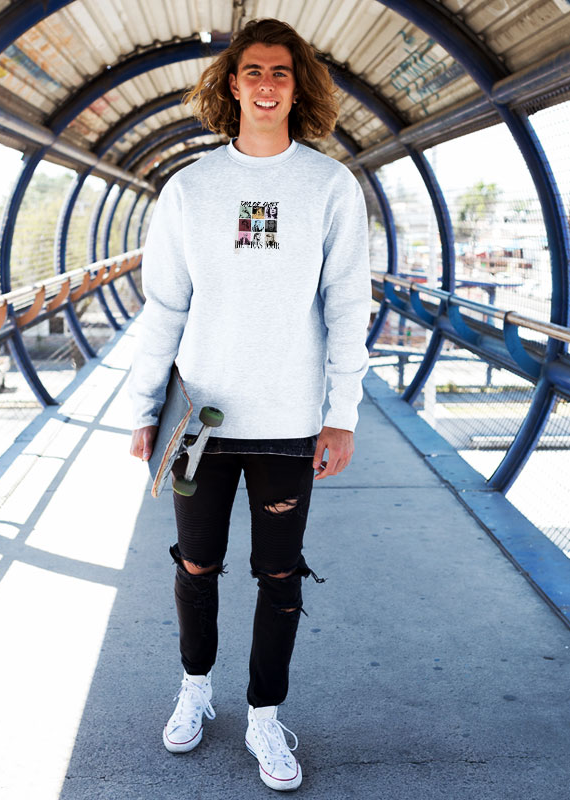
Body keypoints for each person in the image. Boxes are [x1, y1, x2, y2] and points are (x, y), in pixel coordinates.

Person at [129, 17, 371, 792]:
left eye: (280, 72)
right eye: (254, 71)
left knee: (279, 576)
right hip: (201, 421)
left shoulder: (329, 186)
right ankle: (194, 688)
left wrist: (342, 414)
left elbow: (347, 307)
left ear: (297, 87)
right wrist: (142, 408)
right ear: (231, 84)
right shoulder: (190, 188)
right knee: (196, 565)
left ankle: (265, 715)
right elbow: (164, 307)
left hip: (289, 421)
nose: (267, 84)